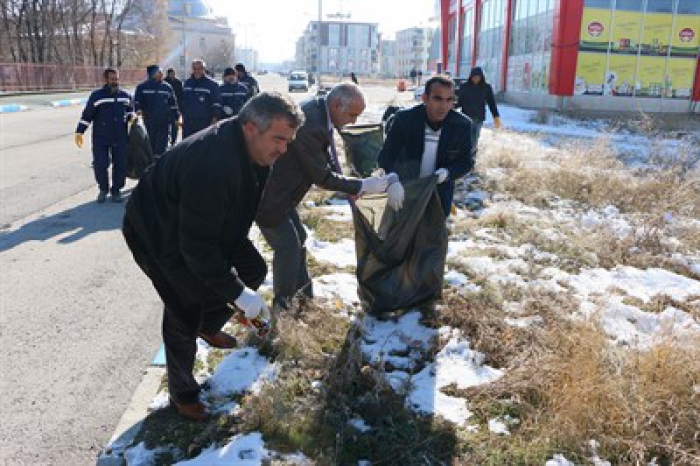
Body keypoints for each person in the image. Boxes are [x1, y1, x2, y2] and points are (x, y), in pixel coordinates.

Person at [123, 92, 304, 421]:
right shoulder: (214, 163)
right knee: (184, 304)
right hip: (156, 227)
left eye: (288, 140)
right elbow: (196, 249)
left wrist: (239, 288)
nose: (284, 149)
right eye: (279, 139)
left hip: (202, 220)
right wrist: (237, 294)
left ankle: (208, 324)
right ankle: (183, 393)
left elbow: (236, 207)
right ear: (250, 128)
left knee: (253, 268)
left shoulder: (252, 150)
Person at [256, 83, 387, 311]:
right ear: (337, 105)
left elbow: (327, 161)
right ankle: (283, 311)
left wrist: (355, 185)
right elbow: (322, 176)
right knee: (288, 247)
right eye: (352, 115)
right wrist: (363, 185)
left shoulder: (319, 111)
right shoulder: (311, 124)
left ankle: (304, 302)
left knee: (298, 240)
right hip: (268, 196)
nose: (354, 121)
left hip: (281, 195)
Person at [378, 75, 474, 217]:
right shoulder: (405, 120)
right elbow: (386, 156)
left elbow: (466, 162)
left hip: (438, 196)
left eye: (449, 100)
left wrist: (447, 173)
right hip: (404, 191)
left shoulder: (462, 125)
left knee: (432, 238)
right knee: (397, 237)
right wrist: (392, 180)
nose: (443, 106)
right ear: (424, 98)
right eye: (437, 99)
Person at [75, 68, 134, 203]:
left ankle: (116, 191)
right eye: (112, 79)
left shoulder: (125, 95)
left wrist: (132, 118)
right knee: (100, 164)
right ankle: (103, 189)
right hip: (101, 137)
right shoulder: (97, 96)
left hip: (120, 136)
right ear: (106, 79)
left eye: (117, 79)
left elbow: (130, 110)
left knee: (120, 165)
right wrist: (80, 131)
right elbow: (87, 115)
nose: (115, 81)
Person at [134, 64, 179, 155]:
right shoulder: (142, 87)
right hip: (148, 122)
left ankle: (159, 165)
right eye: (159, 72)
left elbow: (173, 104)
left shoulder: (167, 87)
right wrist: (138, 112)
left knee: (162, 146)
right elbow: (137, 103)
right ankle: (150, 166)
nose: (161, 74)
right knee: (149, 145)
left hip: (163, 122)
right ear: (152, 74)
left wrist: (176, 117)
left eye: (161, 72)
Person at [457, 66, 501, 148]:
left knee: (475, 139)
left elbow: (492, 103)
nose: (476, 79)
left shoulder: (486, 88)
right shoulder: (464, 87)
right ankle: (466, 156)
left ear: (481, 77)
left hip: (479, 118)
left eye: (478, 77)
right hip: (466, 118)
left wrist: (496, 117)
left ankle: (472, 157)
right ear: (471, 76)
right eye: (474, 77)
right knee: (466, 139)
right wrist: (452, 107)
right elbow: (460, 102)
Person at [181, 59, 222, 138]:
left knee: (203, 148)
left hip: (205, 123)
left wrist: (215, 118)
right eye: (195, 69)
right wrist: (182, 115)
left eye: (200, 68)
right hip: (188, 123)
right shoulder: (187, 83)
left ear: (204, 69)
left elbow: (217, 103)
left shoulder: (212, 84)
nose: (197, 71)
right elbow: (183, 101)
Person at [164, 68, 184, 145]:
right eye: (171, 74)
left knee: (175, 125)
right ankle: (166, 138)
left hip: (176, 107)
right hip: (166, 108)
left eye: (174, 73)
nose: (173, 75)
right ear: (168, 74)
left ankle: (173, 141)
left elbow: (181, 95)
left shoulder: (178, 82)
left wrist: (180, 108)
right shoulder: (165, 82)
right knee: (166, 124)